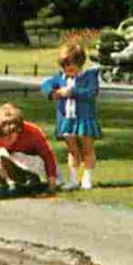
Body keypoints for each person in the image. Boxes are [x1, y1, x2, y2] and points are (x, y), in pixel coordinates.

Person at [39, 40, 102, 190]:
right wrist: (52, 93)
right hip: (66, 119)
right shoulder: (60, 77)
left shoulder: (89, 76)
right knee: (73, 150)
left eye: (70, 65)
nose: (67, 69)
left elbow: (92, 92)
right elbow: (45, 84)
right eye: (64, 65)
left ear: (79, 63)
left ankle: (87, 178)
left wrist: (72, 92)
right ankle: (73, 179)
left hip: (84, 119)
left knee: (87, 149)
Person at [0, 103, 58, 194]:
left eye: (9, 135)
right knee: (1, 154)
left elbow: (48, 156)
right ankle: (10, 182)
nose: (5, 140)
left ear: (19, 129)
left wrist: (51, 179)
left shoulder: (33, 133)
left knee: (16, 155)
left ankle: (33, 181)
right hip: (15, 163)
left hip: (36, 165)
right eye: (2, 136)